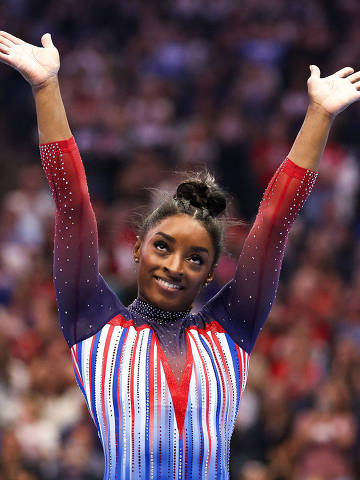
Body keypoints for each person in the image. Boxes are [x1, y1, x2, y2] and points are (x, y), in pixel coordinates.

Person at [1, 30, 360, 480]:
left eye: (195, 259)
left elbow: (272, 225)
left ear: (211, 274)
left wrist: (318, 115)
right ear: (136, 247)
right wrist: (46, 88)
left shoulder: (231, 330)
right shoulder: (91, 322)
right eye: (163, 247)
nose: (174, 267)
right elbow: (73, 206)